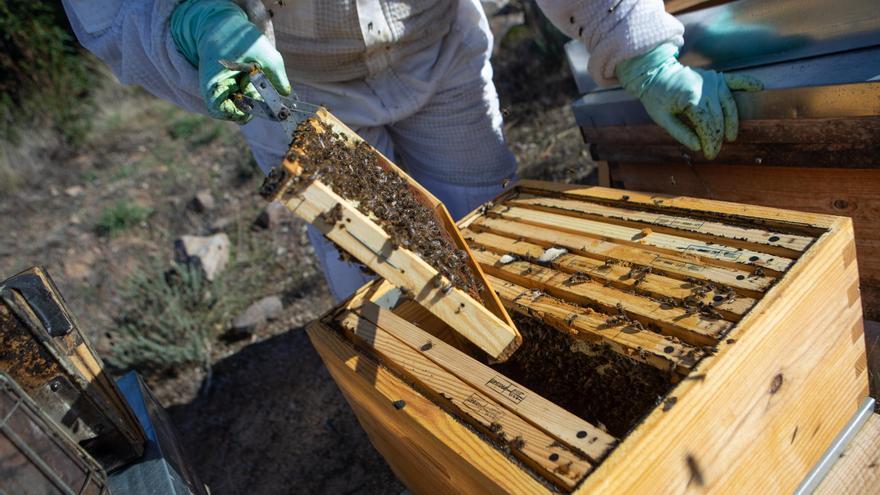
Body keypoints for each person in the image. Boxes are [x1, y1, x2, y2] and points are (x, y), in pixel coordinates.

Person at [61, 0, 760, 301]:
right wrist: (192, 20)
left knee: (492, 229)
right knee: (379, 279)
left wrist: (627, 37)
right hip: (291, 78)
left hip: (440, 47)